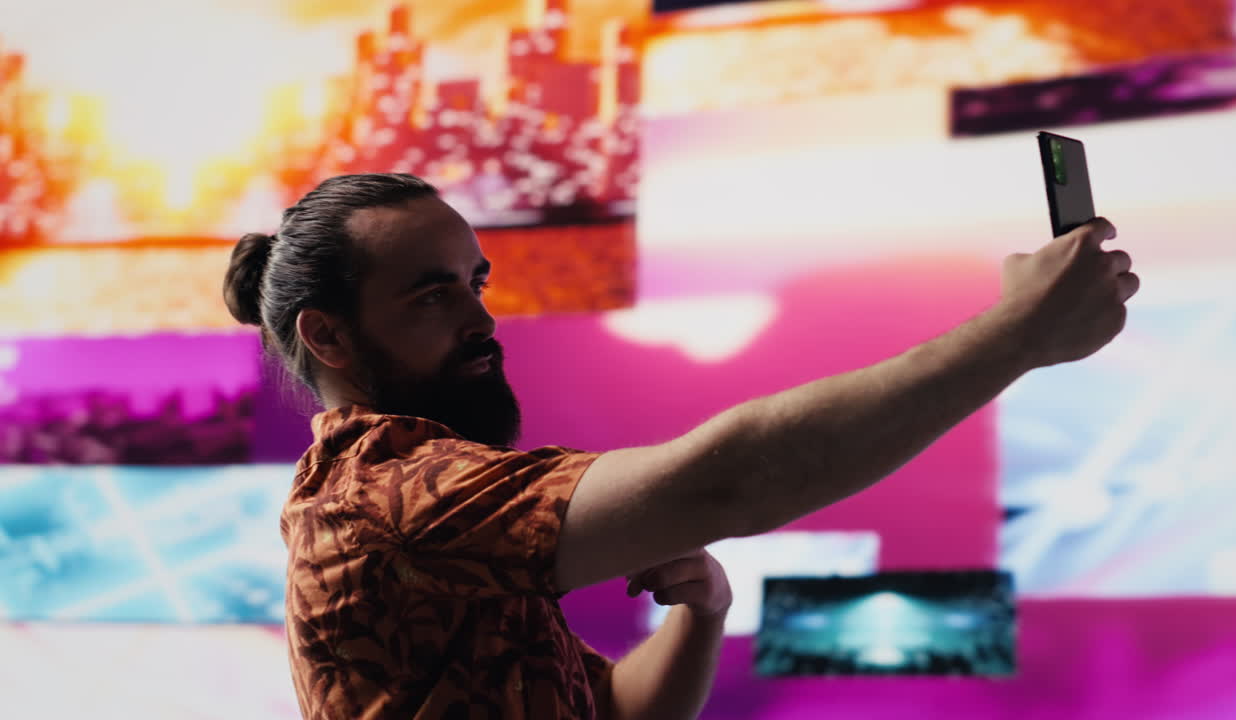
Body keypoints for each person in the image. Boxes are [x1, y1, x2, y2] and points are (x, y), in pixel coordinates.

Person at [223, 173, 1137, 720]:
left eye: (477, 281)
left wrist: (699, 616)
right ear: (330, 338)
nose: (481, 315)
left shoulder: (439, 505)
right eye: (433, 295)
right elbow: (729, 481)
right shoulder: (385, 492)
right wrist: (1019, 334)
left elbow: (612, 711)